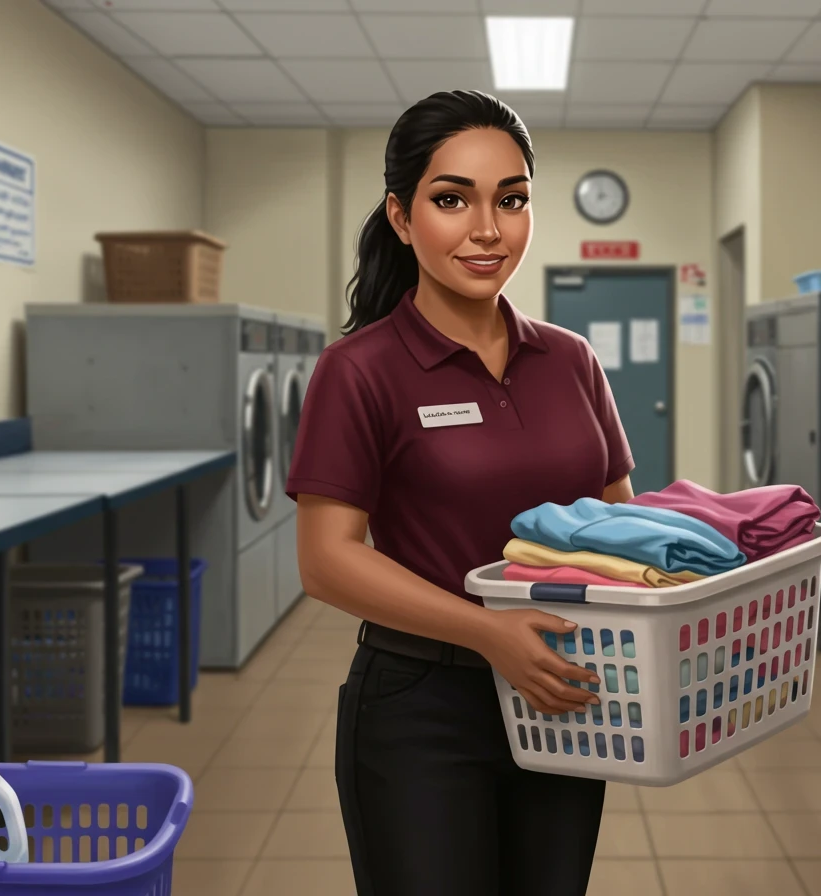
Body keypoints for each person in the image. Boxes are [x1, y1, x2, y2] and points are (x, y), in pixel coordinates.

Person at [287, 90, 635, 896]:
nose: (488, 229)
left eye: (511, 200)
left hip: (565, 692)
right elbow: (327, 562)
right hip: (422, 706)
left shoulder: (571, 360)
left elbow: (620, 523)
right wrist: (489, 632)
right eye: (453, 200)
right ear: (402, 218)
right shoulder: (360, 370)